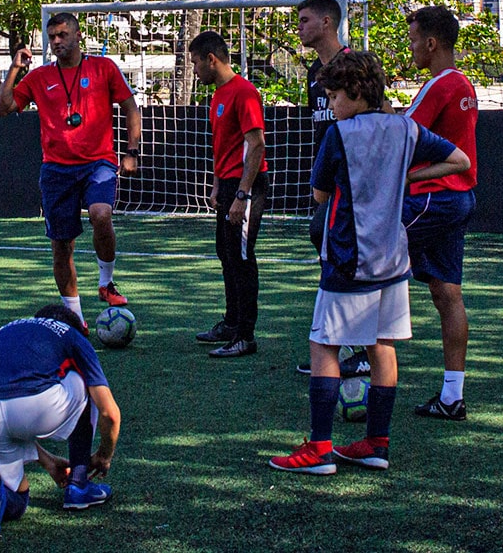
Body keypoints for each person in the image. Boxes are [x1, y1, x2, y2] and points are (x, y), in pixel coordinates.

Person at [269, 51, 470, 475]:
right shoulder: (406, 128)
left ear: (356, 93)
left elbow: (321, 196)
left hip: (347, 258)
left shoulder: (340, 135)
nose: (331, 104)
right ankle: (376, 443)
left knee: (324, 344)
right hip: (394, 260)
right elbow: (460, 161)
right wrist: (404, 177)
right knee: (382, 346)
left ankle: (319, 450)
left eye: (334, 95)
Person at [0, 12, 141, 327]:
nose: (56, 42)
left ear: (77, 36)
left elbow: (131, 107)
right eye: (52, 37)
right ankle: (75, 317)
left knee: (101, 214)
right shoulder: (39, 77)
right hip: (56, 169)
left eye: (62, 35)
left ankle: (106, 281)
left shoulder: (103, 68)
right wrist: (15, 69)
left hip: (98, 162)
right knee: (62, 245)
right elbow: (2, 109)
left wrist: (132, 151)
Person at [0, 305, 121, 550]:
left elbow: (8, 405)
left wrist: (48, 461)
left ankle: (0, 499)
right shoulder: (71, 334)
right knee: (89, 383)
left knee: (19, 497)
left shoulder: (7, 330)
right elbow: (109, 413)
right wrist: (104, 454)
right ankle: (79, 485)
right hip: (33, 404)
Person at [404, 5, 478, 421]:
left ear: (431, 43)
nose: (411, 48)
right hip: (458, 200)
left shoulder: (440, 84)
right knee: (446, 294)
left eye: (414, 40)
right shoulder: (462, 82)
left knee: (365, 253)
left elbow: (402, 135)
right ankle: (452, 396)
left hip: (435, 198)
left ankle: (357, 356)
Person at [188, 31, 270, 357]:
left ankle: (245, 336)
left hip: (246, 186)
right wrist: (217, 184)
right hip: (229, 184)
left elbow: (257, 145)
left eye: (195, 62)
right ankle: (232, 322)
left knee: (241, 258)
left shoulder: (244, 92)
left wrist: (242, 194)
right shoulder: (217, 95)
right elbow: (223, 145)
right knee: (225, 253)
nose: (194, 70)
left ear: (211, 59)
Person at [294, 0, 363, 376]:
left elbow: (376, 115)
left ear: (326, 22)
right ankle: (344, 347)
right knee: (324, 246)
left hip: (354, 184)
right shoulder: (311, 75)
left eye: (305, 20)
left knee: (343, 260)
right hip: (329, 182)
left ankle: (356, 348)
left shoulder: (353, 65)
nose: (299, 27)